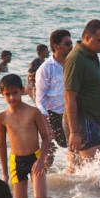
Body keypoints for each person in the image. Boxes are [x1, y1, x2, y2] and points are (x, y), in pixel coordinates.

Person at [0, 74, 70, 198]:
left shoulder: (33, 112)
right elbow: (2, 146)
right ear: (2, 94)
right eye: (7, 94)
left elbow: (46, 138)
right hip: (16, 162)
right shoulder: (2, 117)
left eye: (15, 93)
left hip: (35, 158)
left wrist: (41, 160)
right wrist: (5, 173)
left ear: (22, 91)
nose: (11, 97)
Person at [63, 19, 100, 164]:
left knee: (76, 170)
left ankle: (58, 187)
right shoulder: (76, 59)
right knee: (98, 172)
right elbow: (69, 97)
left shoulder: (91, 54)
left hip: (90, 121)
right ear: (86, 37)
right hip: (83, 122)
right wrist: (74, 132)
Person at [35, 30, 72, 163]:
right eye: (67, 44)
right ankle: (44, 180)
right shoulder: (46, 68)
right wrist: (46, 123)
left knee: (76, 149)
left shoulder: (72, 64)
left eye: (71, 43)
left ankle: (74, 179)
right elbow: (39, 99)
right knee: (49, 154)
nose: (71, 47)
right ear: (56, 46)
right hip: (53, 115)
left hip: (71, 113)